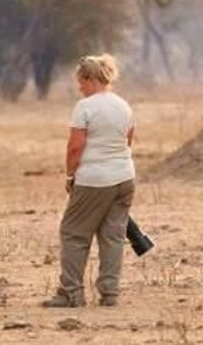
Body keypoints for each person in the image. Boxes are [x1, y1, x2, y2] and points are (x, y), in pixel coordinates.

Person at [43, 54, 136, 308]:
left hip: (95, 179)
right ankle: (110, 292)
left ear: (89, 78)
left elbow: (75, 147)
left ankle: (71, 292)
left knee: (73, 233)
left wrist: (71, 175)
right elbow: (128, 141)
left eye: (80, 82)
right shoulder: (123, 105)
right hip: (125, 177)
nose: (79, 88)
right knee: (113, 235)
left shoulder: (85, 107)